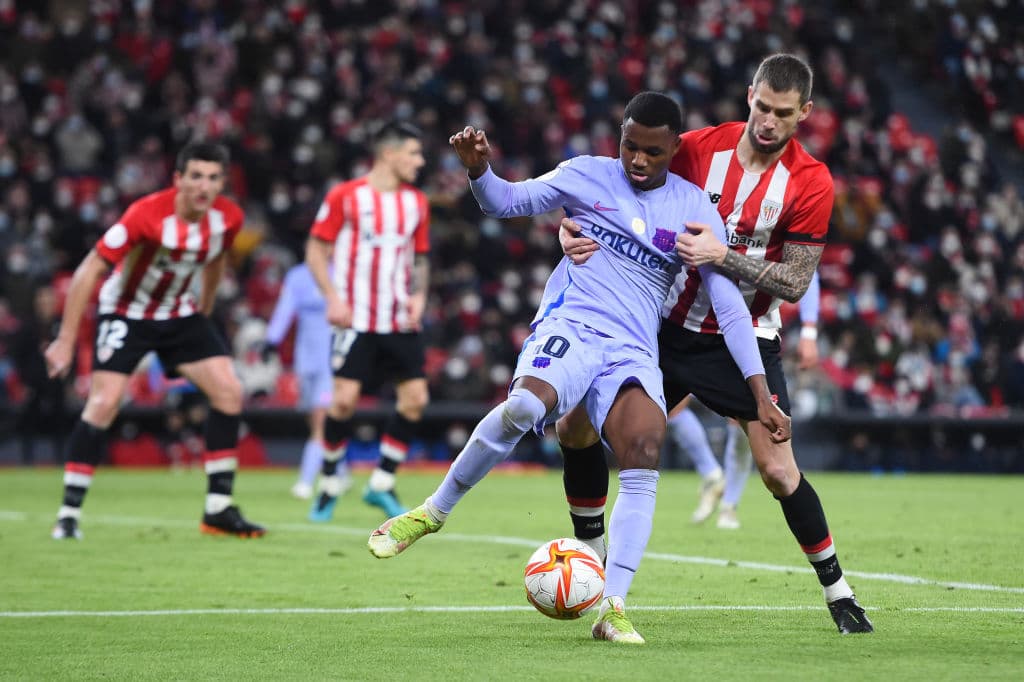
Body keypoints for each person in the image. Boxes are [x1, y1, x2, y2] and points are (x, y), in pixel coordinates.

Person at [367, 92, 790, 646]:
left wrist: (759, 393)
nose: (637, 161)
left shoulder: (693, 209)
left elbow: (730, 305)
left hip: (634, 349)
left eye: (652, 153)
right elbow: (507, 201)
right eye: (629, 146)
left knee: (643, 448)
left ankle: (612, 607)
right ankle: (430, 512)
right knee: (522, 406)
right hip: (573, 327)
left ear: (674, 150)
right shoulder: (585, 175)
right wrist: (479, 170)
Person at [558, 54, 873, 634]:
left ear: (804, 113)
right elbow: (618, 187)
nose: (768, 121)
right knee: (574, 425)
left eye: (782, 113)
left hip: (744, 339)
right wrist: (569, 224)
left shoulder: (811, 182)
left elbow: (797, 282)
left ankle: (839, 590)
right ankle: (593, 563)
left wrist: (723, 256)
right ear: (748, 94)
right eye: (761, 106)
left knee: (779, 470)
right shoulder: (698, 148)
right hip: (657, 328)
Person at [45, 141, 266, 540]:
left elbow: (216, 259)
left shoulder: (228, 218)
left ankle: (217, 510)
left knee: (229, 391)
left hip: (180, 314)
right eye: (196, 176)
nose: (204, 186)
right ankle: (68, 514)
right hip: (127, 313)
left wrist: (207, 307)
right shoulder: (145, 214)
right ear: (178, 179)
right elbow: (89, 269)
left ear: (223, 183)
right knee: (103, 402)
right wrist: (64, 339)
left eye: (214, 178)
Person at [305, 121, 431, 521]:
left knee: (415, 400)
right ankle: (328, 483)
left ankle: (381, 483)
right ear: (388, 154)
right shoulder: (345, 196)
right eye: (413, 153)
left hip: (397, 317)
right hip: (355, 318)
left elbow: (421, 257)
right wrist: (332, 298)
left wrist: (419, 296)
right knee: (342, 402)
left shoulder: (416, 203)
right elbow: (315, 249)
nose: (420, 161)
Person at [677, 270, 821, 529]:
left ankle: (728, 502)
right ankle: (712, 475)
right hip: (698, 328)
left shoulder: (776, 240)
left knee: (748, 426)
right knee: (671, 410)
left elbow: (807, 271)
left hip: (755, 334)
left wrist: (809, 332)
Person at [263, 262, 351, 500]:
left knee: (321, 421)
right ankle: (341, 472)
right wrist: (271, 340)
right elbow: (285, 307)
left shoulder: (342, 272)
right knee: (317, 422)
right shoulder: (298, 276)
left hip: (331, 361)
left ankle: (306, 482)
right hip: (306, 362)